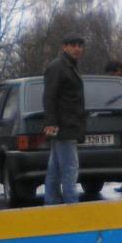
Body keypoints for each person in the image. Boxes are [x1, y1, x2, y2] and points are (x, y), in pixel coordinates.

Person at [42, 33, 87, 205]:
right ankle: (72, 207)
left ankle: (52, 203)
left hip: (69, 125)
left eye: (80, 45)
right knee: (69, 169)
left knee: (55, 169)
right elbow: (49, 96)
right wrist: (51, 122)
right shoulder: (58, 67)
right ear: (64, 47)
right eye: (73, 45)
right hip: (63, 126)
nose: (77, 49)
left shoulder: (70, 66)